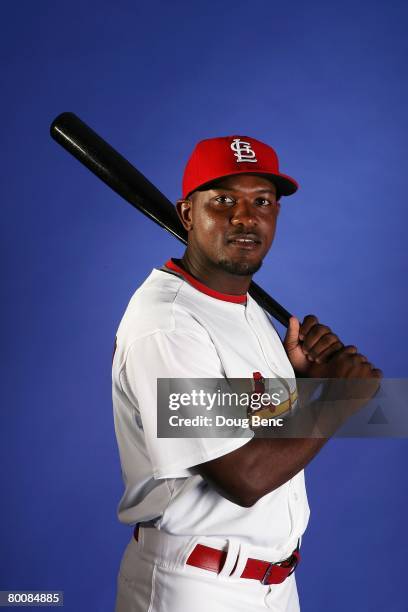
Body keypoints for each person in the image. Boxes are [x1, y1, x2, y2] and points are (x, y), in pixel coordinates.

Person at [112, 135, 381, 611]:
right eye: (223, 200)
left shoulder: (243, 303)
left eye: (261, 201)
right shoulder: (167, 323)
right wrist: (338, 400)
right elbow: (241, 477)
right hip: (196, 585)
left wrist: (299, 385)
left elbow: (242, 423)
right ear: (187, 214)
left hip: (272, 584)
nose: (244, 216)